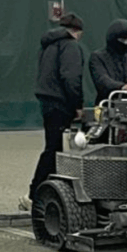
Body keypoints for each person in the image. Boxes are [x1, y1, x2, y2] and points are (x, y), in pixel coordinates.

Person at [19, 12, 85, 212]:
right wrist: (78, 106)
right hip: (61, 104)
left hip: (47, 102)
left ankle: (46, 196)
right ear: (77, 32)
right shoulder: (70, 46)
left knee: (53, 148)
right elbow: (71, 78)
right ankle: (35, 196)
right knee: (55, 150)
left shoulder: (48, 45)